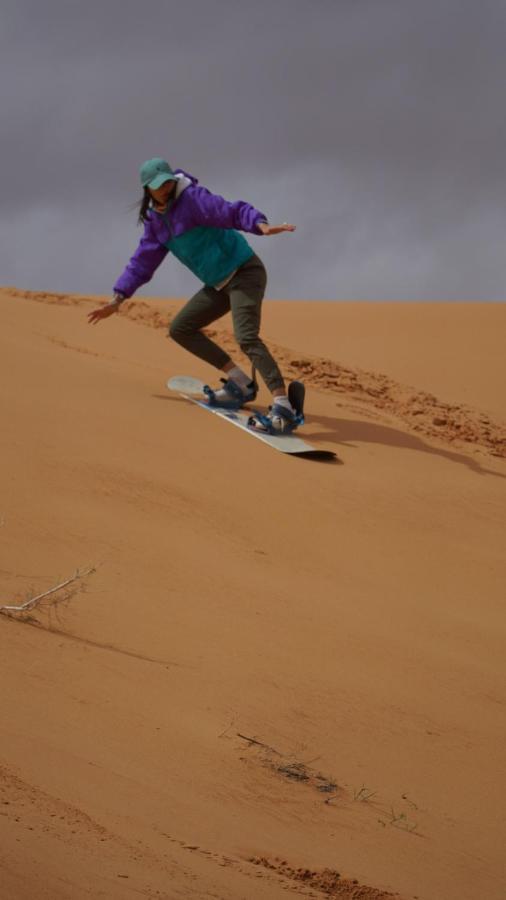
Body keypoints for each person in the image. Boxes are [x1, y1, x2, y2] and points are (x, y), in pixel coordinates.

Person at [88, 157, 299, 433]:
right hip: (218, 283)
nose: (164, 189)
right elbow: (142, 262)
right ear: (147, 190)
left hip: (244, 271)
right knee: (181, 328)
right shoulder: (156, 223)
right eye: (157, 186)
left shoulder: (193, 200)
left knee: (246, 336)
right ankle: (241, 385)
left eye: (166, 182)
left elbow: (230, 211)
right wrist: (118, 298)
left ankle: (284, 407)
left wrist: (260, 224)